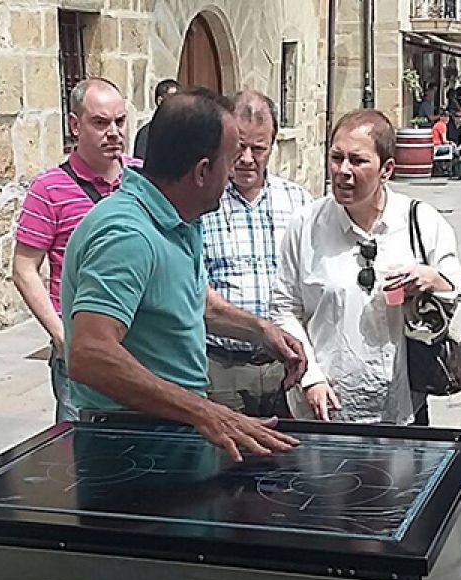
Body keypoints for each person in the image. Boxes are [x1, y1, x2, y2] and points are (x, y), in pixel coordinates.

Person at [61, 88, 306, 461]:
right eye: (229, 160)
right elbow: (90, 353)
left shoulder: (178, 217)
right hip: (129, 446)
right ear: (203, 171)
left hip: (168, 434)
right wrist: (204, 412)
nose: (235, 171)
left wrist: (260, 329)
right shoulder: (127, 234)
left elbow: (191, 302)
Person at [272, 109, 461, 424]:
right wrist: (310, 376)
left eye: (358, 160)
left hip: (402, 409)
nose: (343, 171)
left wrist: (432, 280)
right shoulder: (305, 225)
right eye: (336, 158)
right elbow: (284, 308)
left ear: (386, 169)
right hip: (324, 409)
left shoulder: (421, 222)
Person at [13, 77, 134, 422]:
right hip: (81, 353)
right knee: (78, 457)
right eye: (100, 122)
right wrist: (61, 335)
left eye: (120, 121)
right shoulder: (48, 189)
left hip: (140, 351)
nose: (114, 132)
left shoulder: (143, 179)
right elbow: (24, 269)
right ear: (74, 125)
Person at [198, 91, 313, 418]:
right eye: (239, 146)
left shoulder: (298, 203)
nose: (247, 158)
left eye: (258, 148)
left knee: (292, 463)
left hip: (286, 367)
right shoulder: (205, 202)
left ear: (272, 146)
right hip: (221, 367)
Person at [131, 78, 180, 160]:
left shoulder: (185, 130)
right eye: (173, 98)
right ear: (160, 101)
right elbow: (140, 165)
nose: (178, 103)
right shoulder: (147, 134)